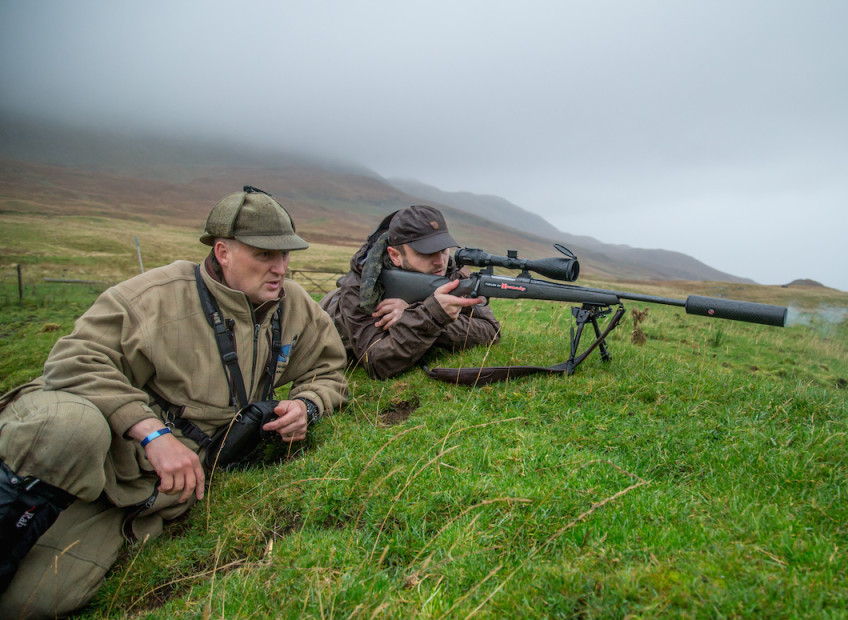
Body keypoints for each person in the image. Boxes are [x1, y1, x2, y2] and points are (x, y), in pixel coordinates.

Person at [0, 186, 348, 618]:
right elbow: (73, 360)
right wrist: (152, 433)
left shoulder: (292, 305)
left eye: (286, 255)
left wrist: (307, 406)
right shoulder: (153, 296)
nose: (280, 268)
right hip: (100, 447)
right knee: (69, 433)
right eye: (264, 255)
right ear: (223, 251)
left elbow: (329, 371)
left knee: (33, 602)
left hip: (153, 490)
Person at [320, 205, 500, 380]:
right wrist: (429, 314)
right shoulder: (362, 286)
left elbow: (491, 332)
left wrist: (416, 313)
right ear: (395, 255)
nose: (440, 262)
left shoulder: (452, 270)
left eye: (443, 249)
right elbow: (376, 362)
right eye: (426, 253)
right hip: (329, 319)